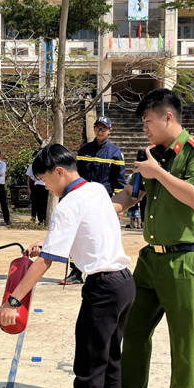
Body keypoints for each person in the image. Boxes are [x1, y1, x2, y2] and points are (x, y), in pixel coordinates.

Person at [0, 144, 135, 388]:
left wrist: (13, 300)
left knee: (89, 366)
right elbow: (88, 229)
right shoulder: (96, 190)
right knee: (111, 357)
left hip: (102, 289)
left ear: (59, 171)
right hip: (124, 283)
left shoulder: (66, 205)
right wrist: (48, 240)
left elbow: (45, 262)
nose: (46, 186)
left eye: (45, 179)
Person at [110, 89, 194, 388]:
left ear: (167, 117)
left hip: (186, 260)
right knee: (133, 329)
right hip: (150, 259)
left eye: (148, 122)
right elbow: (130, 196)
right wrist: (97, 208)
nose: (145, 129)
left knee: (182, 338)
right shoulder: (151, 156)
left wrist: (159, 172)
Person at [62, 116, 127, 285]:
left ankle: (101, 272)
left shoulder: (115, 152)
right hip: (83, 197)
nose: (100, 131)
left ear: (110, 131)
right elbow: (76, 174)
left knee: (100, 235)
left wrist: (119, 207)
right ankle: (76, 272)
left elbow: (119, 181)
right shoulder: (84, 150)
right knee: (78, 233)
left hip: (104, 200)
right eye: (97, 127)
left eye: (103, 128)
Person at [26, 155, 47, 226]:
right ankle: (39, 219)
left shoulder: (44, 165)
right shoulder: (32, 166)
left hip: (44, 185)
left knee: (44, 204)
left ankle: (44, 218)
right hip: (37, 185)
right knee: (37, 204)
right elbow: (31, 177)